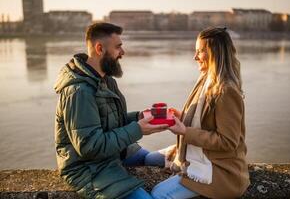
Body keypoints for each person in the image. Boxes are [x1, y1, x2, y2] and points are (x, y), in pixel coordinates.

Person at [54, 22, 168, 199]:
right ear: (100, 48)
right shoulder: (79, 92)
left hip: (112, 154)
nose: (123, 53)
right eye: (118, 47)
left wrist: (140, 117)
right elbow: (90, 147)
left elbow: (112, 120)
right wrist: (138, 129)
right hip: (88, 167)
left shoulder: (105, 79)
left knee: (159, 159)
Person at [149, 27, 250, 199]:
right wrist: (182, 117)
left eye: (199, 52)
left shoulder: (226, 91)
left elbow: (228, 141)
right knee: (148, 159)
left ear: (215, 54)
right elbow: (204, 120)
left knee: (158, 193)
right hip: (197, 154)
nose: (194, 57)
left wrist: (185, 131)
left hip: (218, 170)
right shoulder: (206, 79)